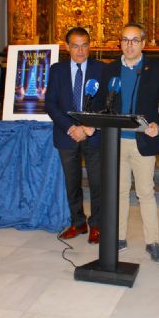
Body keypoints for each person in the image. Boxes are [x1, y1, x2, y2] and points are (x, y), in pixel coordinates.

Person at [96, 22, 159, 263]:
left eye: (134, 40)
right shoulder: (109, 70)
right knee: (118, 191)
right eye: (125, 40)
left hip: (142, 142)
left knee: (145, 192)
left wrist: (157, 124)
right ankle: (118, 238)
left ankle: (152, 242)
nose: (129, 45)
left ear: (143, 43)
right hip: (115, 141)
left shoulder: (158, 69)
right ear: (120, 43)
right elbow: (101, 102)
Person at [45, 27, 105, 244]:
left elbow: (108, 103)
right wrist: (71, 128)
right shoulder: (57, 70)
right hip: (66, 135)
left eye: (84, 45)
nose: (80, 50)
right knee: (72, 183)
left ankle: (96, 225)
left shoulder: (101, 69)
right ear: (67, 47)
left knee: (98, 183)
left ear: (90, 46)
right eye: (75, 45)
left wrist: (89, 126)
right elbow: (50, 104)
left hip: (94, 136)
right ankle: (78, 223)